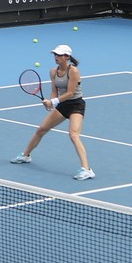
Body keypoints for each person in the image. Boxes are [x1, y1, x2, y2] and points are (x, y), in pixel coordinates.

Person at [13, 44, 94, 180]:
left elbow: (70, 93)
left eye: (59, 55)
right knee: (41, 129)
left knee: (73, 135)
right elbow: (55, 90)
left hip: (76, 105)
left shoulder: (73, 71)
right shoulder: (53, 71)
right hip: (62, 105)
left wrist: (54, 101)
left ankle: (87, 169)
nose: (56, 57)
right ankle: (25, 155)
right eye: (55, 54)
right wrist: (50, 102)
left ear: (67, 57)